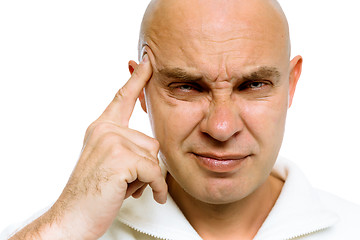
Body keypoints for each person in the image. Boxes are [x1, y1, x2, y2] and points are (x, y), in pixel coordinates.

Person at [2, 0, 360, 239]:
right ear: (141, 89)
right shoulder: (59, 231)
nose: (221, 128)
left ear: (291, 84)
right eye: (188, 86)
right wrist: (66, 225)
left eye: (252, 85)